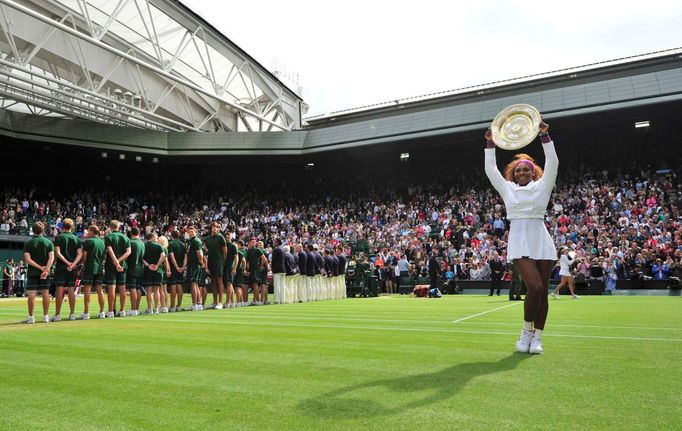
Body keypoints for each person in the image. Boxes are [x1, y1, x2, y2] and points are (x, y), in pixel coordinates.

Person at [484, 120, 557, 354]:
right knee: (534, 287)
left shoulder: (543, 186)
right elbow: (490, 170)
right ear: (513, 174)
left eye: (526, 169)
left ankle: (537, 338)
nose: (523, 172)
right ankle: (526, 331)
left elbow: (553, 163)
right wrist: (489, 144)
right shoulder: (507, 189)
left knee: (542, 292)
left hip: (541, 239)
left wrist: (545, 137)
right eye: (518, 170)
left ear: (533, 171)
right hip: (519, 239)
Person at [22, 222, 54, 324]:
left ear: (33, 230)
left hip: (32, 272)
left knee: (32, 293)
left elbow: (28, 259)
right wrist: (46, 269)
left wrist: (40, 268)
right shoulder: (48, 243)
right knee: (45, 293)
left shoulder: (28, 243)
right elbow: (51, 258)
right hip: (45, 273)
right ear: (43, 230)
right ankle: (46, 317)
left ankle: (31, 317)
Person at [52, 218, 83, 321]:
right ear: (72, 227)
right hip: (72, 268)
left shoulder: (59, 237)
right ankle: (72, 314)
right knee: (71, 290)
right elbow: (80, 254)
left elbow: (57, 252)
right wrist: (73, 264)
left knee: (59, 290)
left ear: (62, 227)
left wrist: (67, 262)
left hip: (61, 267)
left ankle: (57, 315)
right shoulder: (76, 239)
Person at [104, 220, 131, 318]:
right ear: (118, 227)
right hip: (122, 265)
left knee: (111, 287)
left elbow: (110, 251)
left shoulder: (108, 237)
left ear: (110, 227)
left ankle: (111, 311)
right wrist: (119, 262)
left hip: (111, 265)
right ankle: (122, 310)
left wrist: (115, 262)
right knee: (122, 287)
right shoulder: (125, 237)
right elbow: (128, 252)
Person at [80, 225, 106, 319]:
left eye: (88, 231)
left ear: (91, 231)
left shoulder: (88, 242)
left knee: (87, 290)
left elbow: (85, 256)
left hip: (89, 267)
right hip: (99, 268)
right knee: (100, 290)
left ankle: (86, 313)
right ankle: (102, 312)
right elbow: (103, 256)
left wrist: (83, 264)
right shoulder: (102, 242)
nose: (87, 232)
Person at [205, 222, 227, 309]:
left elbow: (225, 251)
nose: (215, 228)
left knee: (219, 281)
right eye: (213, 226)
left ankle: (220, 302)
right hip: (211, 262)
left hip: (219, 262)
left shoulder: (221, 237)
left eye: (217, 227)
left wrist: (222, 261)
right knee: (213, 282)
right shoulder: (208, 238)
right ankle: (214, 302)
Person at [142, 233, 165, 314]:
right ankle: (156, 309)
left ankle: (150, 309)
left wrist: (148, 265)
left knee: (149, 290)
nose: (157, 239)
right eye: (156, 237)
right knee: (156, 290)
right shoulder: (159, 246)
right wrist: (157, 265)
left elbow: (141, 258)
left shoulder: (144, 246)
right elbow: (163, 256)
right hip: (158, 270)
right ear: (152, 237)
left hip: (148, 271)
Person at [126, 227, 145, 316]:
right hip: (140, 268)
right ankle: (136, 308)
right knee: (138, 288)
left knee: (133, 288)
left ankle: (133, 309)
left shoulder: (131, 243)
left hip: (132, 267)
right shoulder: (142, 243)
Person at [186, 226, 204, 311]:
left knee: (193, 284)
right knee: (195, 285)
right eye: (189, 232)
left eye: (192, 232)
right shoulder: (191, 241)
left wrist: (200, 262)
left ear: (195, 232)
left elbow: (200, 253)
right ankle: (198, 304)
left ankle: (194, 304)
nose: (190, 233)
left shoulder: (196, 241)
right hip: (193, 264)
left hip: (194, 265)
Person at [168, 230, 187, 312]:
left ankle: (172, 306)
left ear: (172, 235)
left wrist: (176, 267)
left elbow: (172, 257)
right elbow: (186, 256)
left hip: (173, 268)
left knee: (173, 286)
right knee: (179, 286)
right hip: (181, 268)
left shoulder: (171, 244)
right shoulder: (183, 244)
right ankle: (178, 306)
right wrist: (183, 267)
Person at [223, 230, 239, 308]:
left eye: (229, 237)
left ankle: (227, 302)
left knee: (229, 283)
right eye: (226, 237)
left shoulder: (233, 246)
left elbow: (236, 257)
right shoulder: (224, 245)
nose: (227, 238)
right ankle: (232, 301)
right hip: (225, 267)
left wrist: (235, 268)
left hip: (229, 267)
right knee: (230, 284)